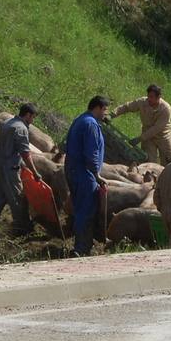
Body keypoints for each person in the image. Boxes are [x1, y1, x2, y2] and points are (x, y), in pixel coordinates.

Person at [0, 103, 42, 235]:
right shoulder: (21, 128)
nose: (32, 121)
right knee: (18, 199)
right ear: (27, 115)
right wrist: (35, 172)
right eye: (32, 117)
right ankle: (22, 228)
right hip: (9, 169)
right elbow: (25, 154)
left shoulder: (7, 123)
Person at [64, 96, 109, 256]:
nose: (105, 114)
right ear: (97, 108)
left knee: (79, 208)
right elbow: (92, 153)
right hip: (84, 173)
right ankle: (81, 248)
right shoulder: (90, 124)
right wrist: (96, 174)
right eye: (104, 110)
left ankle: (83, 244)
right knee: (86, 209)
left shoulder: (80, 120)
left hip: (72, 170)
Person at [111, 84, 171, 166]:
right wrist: (112, 114)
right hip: (148, 138)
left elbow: (156, 128)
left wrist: (140, 138)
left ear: (158, 97)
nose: (149, 99)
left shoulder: (166, 109)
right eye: (148, 96)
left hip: (164, 137)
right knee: (148, 163)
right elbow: (127, 107)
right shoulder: (142, 102)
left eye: (152, 97)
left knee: (169, 162)